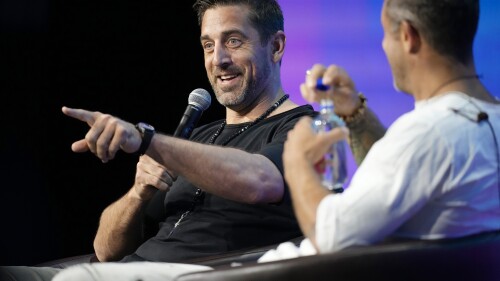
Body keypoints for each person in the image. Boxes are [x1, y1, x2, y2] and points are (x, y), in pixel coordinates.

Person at [0, 0, 316, 280]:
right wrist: (138, 194)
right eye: (208, 45)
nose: (217, 59)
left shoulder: (306, 127)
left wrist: (147, 140)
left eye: (233, 41)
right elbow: (106, 252)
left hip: (206, 272)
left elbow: (261, 180)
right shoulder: (201, 138)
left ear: (275, 47)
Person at [259, 0, 500, 262]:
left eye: (385, 34)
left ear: (408, 36)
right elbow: (401, 176)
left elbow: (329, 235)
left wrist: (296, 161)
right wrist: (353, 111)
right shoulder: (480, 121)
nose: (384, 46)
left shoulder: (427, 132)